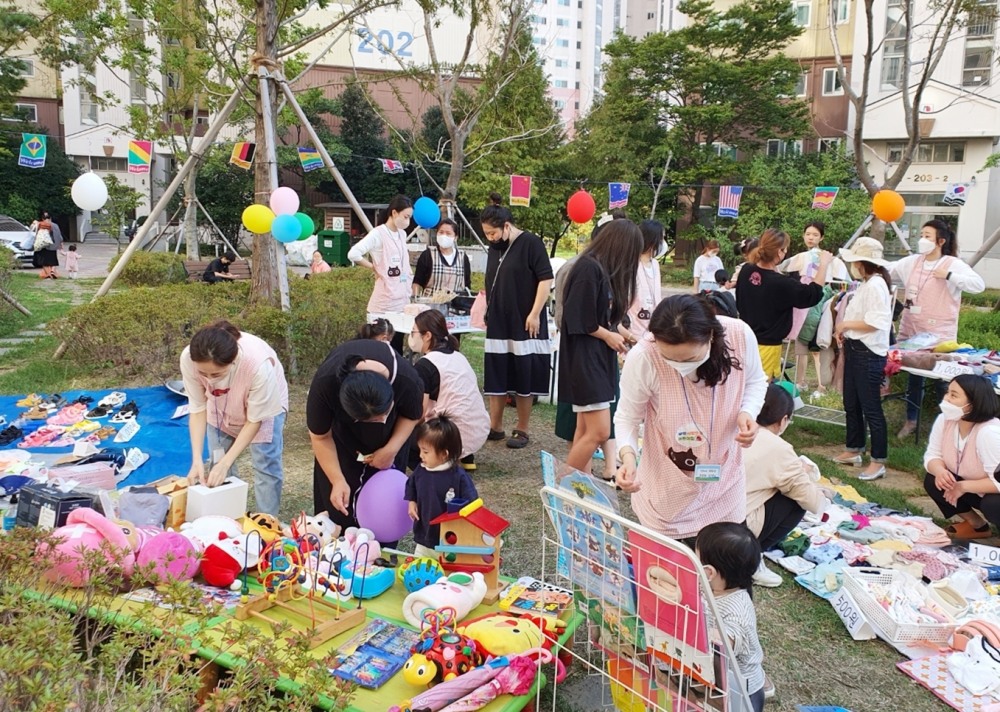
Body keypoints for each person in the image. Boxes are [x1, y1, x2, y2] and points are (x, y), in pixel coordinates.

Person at [614, 294, 768, 544]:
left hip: (724, 480)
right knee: (668, 563)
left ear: (710, 336)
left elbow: (755, 381)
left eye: (689, 359)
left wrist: (747, 412)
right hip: (668, 485)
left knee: (722, 556)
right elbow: (627, 418)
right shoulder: (644, 356)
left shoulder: (739, 335)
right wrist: (628, 458)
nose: (679, 366)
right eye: (670, 358)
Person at [307, 339, 424, 531]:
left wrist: (391, 449)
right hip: (341, 441)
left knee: (385, 505)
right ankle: (338, 545)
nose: (381, 420)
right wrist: (337, 479)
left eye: (383, 414)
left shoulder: (406, 379)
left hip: (391, 438)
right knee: (338, 506)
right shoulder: (325, 384)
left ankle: (381, 547)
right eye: (371, 420)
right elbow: (320, 437)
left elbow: (412, 415)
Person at [180, 320, 288, 516]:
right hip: (219, 403)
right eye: (203, 373)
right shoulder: (189, 358)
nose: (209, 380)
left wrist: (226, 462)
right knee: (217, 461)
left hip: (262, 405)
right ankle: (228, 519)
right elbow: (197, 408)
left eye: (216, 374)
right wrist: (196, 459)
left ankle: (266, 521)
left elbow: (254, 420)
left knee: (265, 466)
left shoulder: (257, 366)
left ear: (233, 361)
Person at [559, 220, 642, 473]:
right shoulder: (588, 268)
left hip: (596, 359)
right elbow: (577, 317)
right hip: (584, 360)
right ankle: (562, 483)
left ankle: (578, 484)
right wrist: (608, 336)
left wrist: (617, 335)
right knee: (600, 431)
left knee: (584, 428)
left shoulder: (601, 270)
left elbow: (604, 318)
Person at [891, 220, 986, 439]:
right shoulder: (913, 262)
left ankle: (947, 426)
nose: (922, 240)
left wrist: (950, 276)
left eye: (927, 236)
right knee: (915, 377)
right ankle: (911, 420)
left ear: (940, 241)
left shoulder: (952, 263)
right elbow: (889, 270)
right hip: (913, 333)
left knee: (943, 380)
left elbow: (978, 285)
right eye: (921, 235)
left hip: (939, 336)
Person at [480, 192, 554, 450]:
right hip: (499, 320)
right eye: (486, 234)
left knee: (524, 373)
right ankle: (495, 426)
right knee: (496, 373)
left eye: (492, 233)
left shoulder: (531, 243)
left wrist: (534, 313)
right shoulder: (495, 247)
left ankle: (522, 428)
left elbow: (546, 279)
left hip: (525, 321)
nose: (490, 238)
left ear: (507, 226)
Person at [744, 384, 832, 586]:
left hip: (698, 519)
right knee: (795, 500)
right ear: (783, 420)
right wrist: (805, 473)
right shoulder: (779, 448)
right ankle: (751, 559)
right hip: (734, 528)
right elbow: (813, 503)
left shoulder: (731, 428)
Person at [831, 238, 894, 480]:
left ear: (862, 263)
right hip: (856, 348)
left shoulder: (876, 285)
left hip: (869, 353)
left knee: (871, 408)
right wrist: (845, 330)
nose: (852, 266)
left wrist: (845, 324)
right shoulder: (867, 283)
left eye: (854, 262)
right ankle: (853, 448)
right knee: (851, 403)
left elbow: (876, 322)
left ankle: (878, 460)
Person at [736, 229, 832, 380]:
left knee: (744, 384)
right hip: (767, 345)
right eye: (785, 249)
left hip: (744, 340)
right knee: (760, 388)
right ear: (780, 252)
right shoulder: (781, 283)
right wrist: (824, 265)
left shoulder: (746, 270)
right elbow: (812, 294)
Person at [696, 522, 766, 712]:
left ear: (709, 572)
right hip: (715, 682)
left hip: (742, 691)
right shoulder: (709, 586)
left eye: (696, 559)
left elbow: (723, 644)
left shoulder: (738, 612)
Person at [409, 309, 490, 471]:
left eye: (413, 333)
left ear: (427, 336)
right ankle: (465, 457)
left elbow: (419, 414)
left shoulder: (425, 365)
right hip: (477, 431)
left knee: (402, 434)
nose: (410, 337)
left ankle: (432, 468)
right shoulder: (458, 355)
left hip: (449, 435)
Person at [923, 374, 1000, 539]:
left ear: (972, 404)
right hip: (975, 487)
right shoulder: (945, 420)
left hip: (993, 491)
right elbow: (932, 455)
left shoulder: (989, 433)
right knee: (934, 479)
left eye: (954, 395)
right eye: (947, 392)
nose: (946, 398)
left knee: (993, 504)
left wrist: (963, 486)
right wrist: (940, 471)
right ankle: (977, 526)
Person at [405, 416, 479, 558]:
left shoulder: (458, 476)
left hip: (449, 540)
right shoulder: (421, 470)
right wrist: (412, 502)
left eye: (426, 452)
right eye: (420, 450)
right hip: (424, 534)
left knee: (446, 569)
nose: (420, 455)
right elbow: (411, 485)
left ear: (444, 454)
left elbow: (472, 503)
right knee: (420, 566)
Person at [348, 195, 414, 353]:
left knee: (397, 347)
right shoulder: (378, 234)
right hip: (384, 301)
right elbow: (353, 254)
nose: (407, 221)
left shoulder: (402, 234)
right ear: (394, 213)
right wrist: (374, 267)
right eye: (405, 217)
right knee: (381, 348)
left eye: (409, 217)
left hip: (401, 299)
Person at [624, 219, 667, 342]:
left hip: (653, 330)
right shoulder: (630, 265)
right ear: (653, 240)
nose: (663, 243)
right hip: (633, 332)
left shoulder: (655, 264)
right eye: (662, 238)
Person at [412, 217, 472, 298]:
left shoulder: (463, 258)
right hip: (431, 303)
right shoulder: (428, 255)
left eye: (448, 233)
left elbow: (467, 286)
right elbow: (417, 282)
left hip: (456, 303)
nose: (444, 236)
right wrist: (416, 298)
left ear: (455, 237)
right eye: (441, 232)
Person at [31, 211, 59, 279]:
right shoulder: (54, 225)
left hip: (42, 245)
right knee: (53, 261)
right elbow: (59, 236)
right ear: (50, 218)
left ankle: (48, 274)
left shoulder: (39, 224)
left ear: (42, 218)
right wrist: (59, 244)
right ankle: (52, 271)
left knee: (44, 262)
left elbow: (32, 231)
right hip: (52, 245)